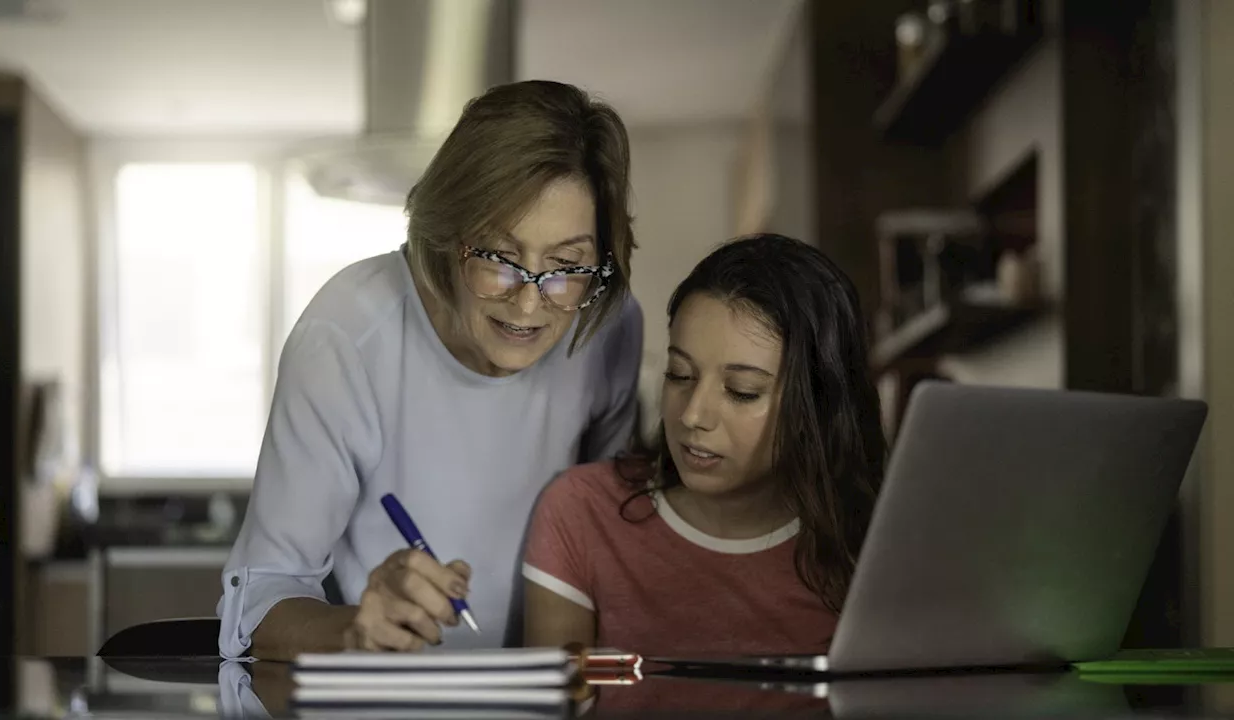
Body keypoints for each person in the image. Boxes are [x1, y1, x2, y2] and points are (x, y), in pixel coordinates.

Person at [218, 79, 642, 660]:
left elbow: (605, 536)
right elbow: (257, 602)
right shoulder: (345, 335)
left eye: (567, 265)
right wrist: (352, 630)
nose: (527, 303)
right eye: (500, 257)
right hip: (396, 693)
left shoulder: (609, 327)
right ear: (446, 238)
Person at [520, 233, 886, 656]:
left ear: (820, 404)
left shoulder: (872, 547)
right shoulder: (583, 513)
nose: (693, 415)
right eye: (680, 374)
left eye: (742, 391)